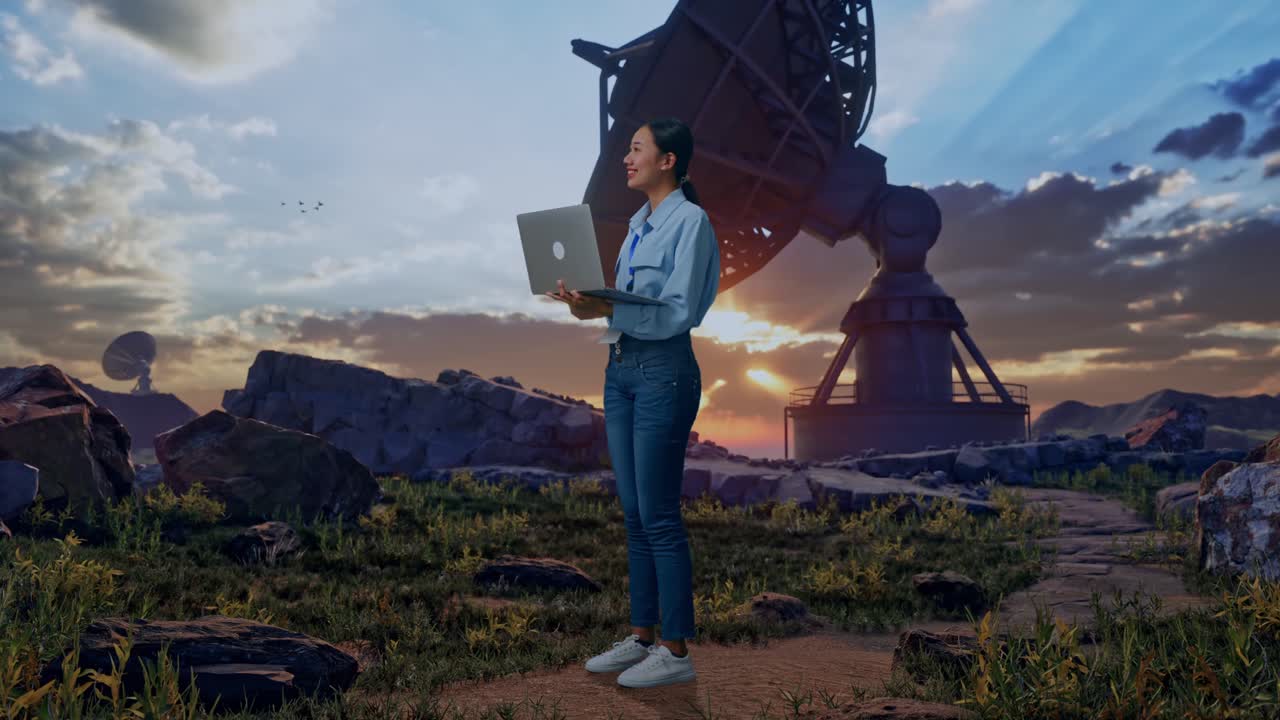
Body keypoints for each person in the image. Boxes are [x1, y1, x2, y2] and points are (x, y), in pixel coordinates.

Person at [544, 116, 720, 688]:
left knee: (661, 516)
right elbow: (625, 307)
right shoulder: (638, 226)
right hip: (619, 370)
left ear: (667, 160)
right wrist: (584, 304)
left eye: (637, 148)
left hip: (662, 373)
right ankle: (643, 636)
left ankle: (676, 650)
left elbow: (676, 312)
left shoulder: (690, 222)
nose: (626, 157)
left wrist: (607, 308)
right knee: (635, 514)